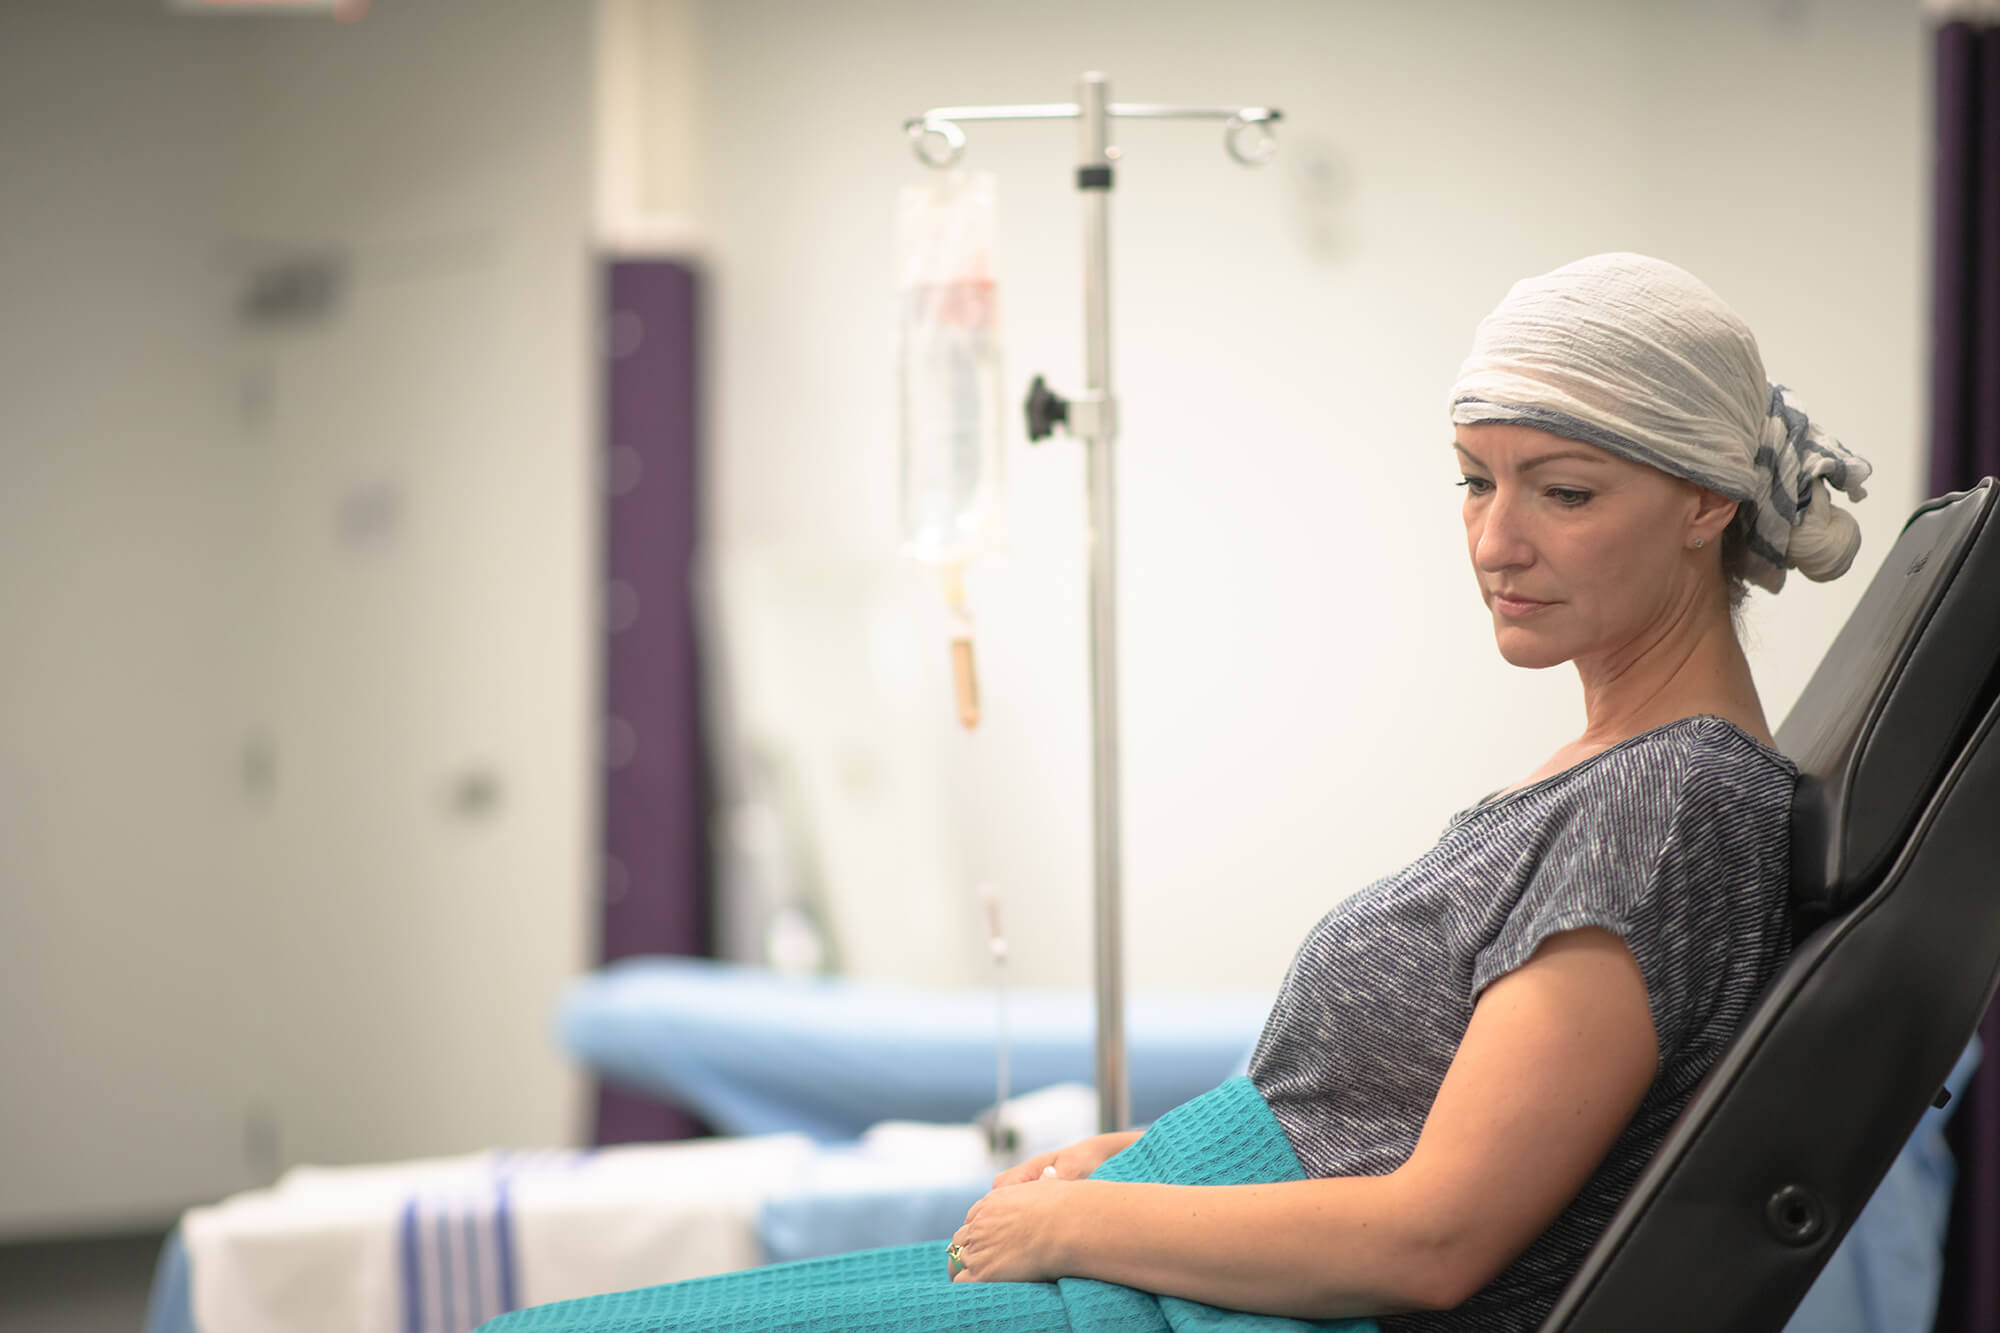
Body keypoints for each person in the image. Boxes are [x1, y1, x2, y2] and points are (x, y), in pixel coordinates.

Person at [482, 254, 1873, 1333]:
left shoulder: (1672, 803)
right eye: (1472, 481)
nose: (1495, 541)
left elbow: (1433, 1242)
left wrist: (1077, 1229)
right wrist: (1127, 1162)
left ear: (1705, 504)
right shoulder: (1614, 777)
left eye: (1562, 491)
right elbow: (1374, 1121)